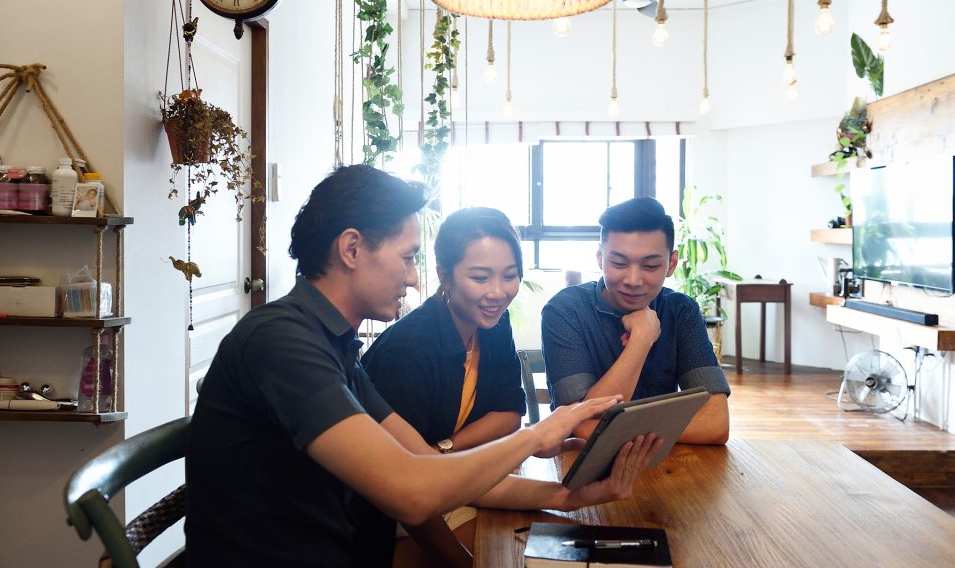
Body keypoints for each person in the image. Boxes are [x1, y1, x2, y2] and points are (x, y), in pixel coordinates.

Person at [185, 165, 664, 568]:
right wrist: (537, 436)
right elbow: (411, 495)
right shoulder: (282, 342)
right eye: (407, 257)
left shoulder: (333, 345)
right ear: (351, 249)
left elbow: (429, 468)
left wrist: (568, 497)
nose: (414, 278)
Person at [360, 207, 527, 565]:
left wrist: (442, 451)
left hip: (448, 485)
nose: (497, 292)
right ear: (444, 276)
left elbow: (510, 413)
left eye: (509, 276)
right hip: (380, 519)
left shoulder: (493, 324)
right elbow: (404, 491)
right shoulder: (409, 351)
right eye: (480, 278)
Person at [541, 197, 731, 443]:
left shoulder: (680, 311)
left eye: (650, 266)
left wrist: (617, 431)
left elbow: (716, 423)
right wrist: (641, 339)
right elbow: (581, 427)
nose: (633, 280)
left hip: (662, 465)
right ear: (600, 259)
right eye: (619, 263)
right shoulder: (565, 311)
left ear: (671, 263)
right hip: (581, 470)